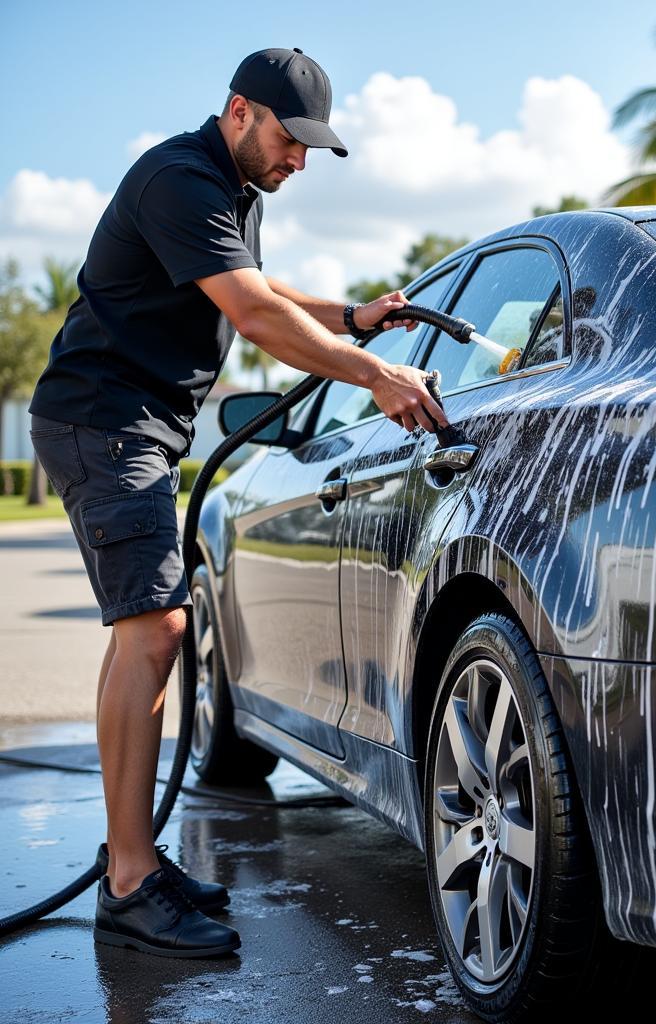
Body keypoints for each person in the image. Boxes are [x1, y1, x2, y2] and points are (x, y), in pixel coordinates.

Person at [27, 47, 448, 959]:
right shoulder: (180, 178)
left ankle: (130, 862)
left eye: (311, 149)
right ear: (239, 112)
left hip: (125, 424)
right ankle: (132, 885)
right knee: (158, 633)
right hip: (106, 422)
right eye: (292, 141)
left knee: (143, 633)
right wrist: (375, 373)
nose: (299, 162)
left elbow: (261, 289)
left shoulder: (229, 191)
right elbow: (253, 316)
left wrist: (350, 317)